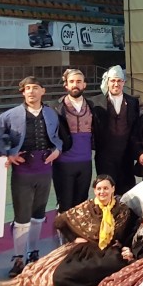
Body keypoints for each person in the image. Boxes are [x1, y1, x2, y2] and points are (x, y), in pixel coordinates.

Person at [0, 76, 66, 277]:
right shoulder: (10, 115)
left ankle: (33, 252)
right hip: (23, 168)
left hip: (45, 167)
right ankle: (18, 257)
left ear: (43, 91)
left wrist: (57, 149)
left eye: (35, 88)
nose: (31, 91)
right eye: (27, 88)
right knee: (22, 214)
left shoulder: (51, 113)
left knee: (39, 213)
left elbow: (58, 138)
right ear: (22, 92)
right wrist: (8, 153)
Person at [4, 175, 136, 286]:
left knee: (116, 264)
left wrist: (125, 247)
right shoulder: (87, 207)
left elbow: (126, 231)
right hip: (86, 249)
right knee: (62, 276)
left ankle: (91, 280)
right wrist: (74, 238)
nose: (102, 192)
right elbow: (59, 221)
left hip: (109, 249)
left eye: (106, 188)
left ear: (113, 189)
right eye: (99, 189)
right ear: (94, 191)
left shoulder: (122, 210)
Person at [50, 68, 98, 214]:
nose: (75, 85)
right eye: (71, 82)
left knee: (82, 202)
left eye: (78, 81)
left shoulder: (93, 106)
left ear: (84, 85)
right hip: (63, 162)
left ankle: (79, 235)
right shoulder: (55, 107)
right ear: (66, 85)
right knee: (65, 203)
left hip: (85, 162)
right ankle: (63, 236)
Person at [90, 66, 140, 195]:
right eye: (113, 81)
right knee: (106, 188)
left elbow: (135, 127)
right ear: (107, 82)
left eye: (119, 81)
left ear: (123, 82)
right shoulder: (95, 102)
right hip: (104, 155)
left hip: (126, 154)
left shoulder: (133, 102)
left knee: (127, 190)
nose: (116, 84)